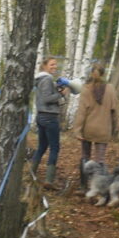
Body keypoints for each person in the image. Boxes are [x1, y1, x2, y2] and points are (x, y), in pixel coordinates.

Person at [71, 62, 118, 187]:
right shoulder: (110, 89)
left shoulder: (86, 89)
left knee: (85, 157)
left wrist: (77, 130)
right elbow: (114, 111)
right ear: (104, 74)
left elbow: (81, 112)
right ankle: (100, 187)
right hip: (104, 129)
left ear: (91, 73)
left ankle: (83, 186)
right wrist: (114, 129)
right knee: (100, 159)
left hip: (88, 129)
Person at [32, 57, 68, 188]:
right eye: (52, 64)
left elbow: (44, 97)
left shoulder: (41, 79)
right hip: (50, 117)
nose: (55, 67)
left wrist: (57, 91)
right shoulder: (47, 79)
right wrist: (61, 94)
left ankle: (31, 173)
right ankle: (49, 180)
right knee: (54, 148)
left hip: (41, 116)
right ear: (44, 66)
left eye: (55, 64)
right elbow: (47, 98)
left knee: (42, 146)